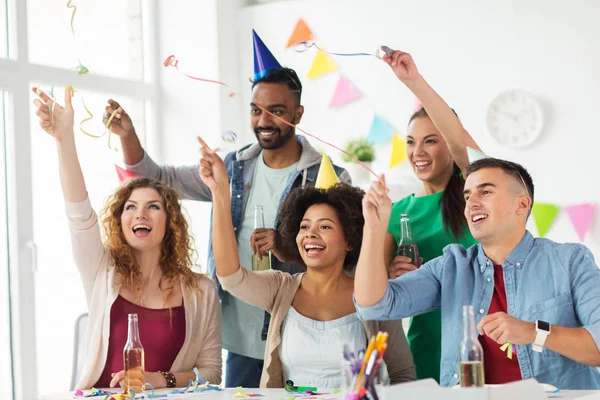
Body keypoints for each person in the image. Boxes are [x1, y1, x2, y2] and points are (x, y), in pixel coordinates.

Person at [101, 32, 350, 388]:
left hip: (300, 331)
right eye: (255, 110)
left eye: (276, 111)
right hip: (238, 332)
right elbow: (157, 178)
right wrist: (127, 135)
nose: (263, 120)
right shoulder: (231, 168)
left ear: (298, 113)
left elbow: (347, 255)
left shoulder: (327, 177)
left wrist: (284, 247)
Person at [32, 86, 222, 390]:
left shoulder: (201, 290)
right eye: (130, 207)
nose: (140, 214)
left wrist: (158, 379)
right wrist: (63, 138)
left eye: (153, 207)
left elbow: (212, 373)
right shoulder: (102, 271)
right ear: (120, 221)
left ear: (171, 222)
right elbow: (79, 215)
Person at [355, 159, 600, 389]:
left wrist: (534, 332)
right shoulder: (450, 267)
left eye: (485, 192)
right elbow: (374, 306)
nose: (471, 203)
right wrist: (374, 229)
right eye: (468, 195)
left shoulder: (570, 261)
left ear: (522, 204)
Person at [197, 138, 414, 387]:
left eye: (325, 226)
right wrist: (220, 191)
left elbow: (403, 374)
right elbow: (229, 275)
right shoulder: (281, 288)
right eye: (304, 226)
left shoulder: (374, 296)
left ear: (350, 241)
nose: (311, 234)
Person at [380, 49, 482, 382]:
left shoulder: (475, 191)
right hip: (424, 347)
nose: (417, 153)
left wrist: (413, 81)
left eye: (430, 141)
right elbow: (374, 292)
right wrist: (393, 275)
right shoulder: (397, 212)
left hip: (480, 341)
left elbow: (456, 136)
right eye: (410, 142)